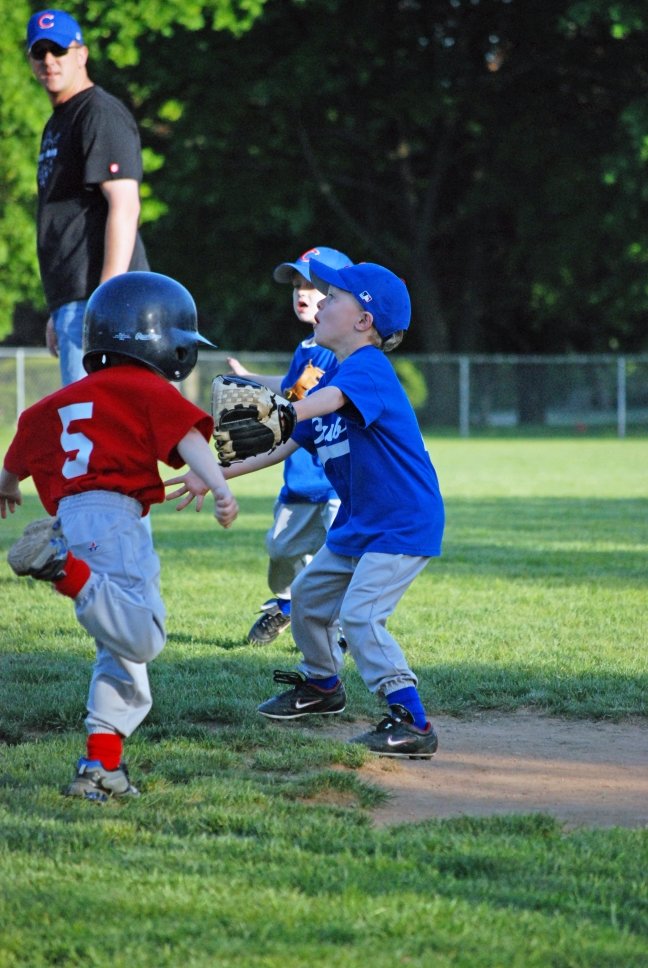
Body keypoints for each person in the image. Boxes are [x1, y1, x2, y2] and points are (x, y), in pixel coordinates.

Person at [168, 261, 444, 758]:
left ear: (364, 321)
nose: (319, 302)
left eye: (332, 296)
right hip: (358, 523)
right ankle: (322, 687)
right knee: (310, 602)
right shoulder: (325, 383)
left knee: (360, 617)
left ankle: (412, 721)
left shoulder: (367, 368)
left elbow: (329, 401)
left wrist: (288, 406)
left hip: (402, 523)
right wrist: (208, 475)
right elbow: (278, 447)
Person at [0, 272, 238, 800]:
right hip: (114, 520)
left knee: (119, 651)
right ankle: (65, 570)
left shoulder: (62, 400)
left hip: (73, 516)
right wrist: (219, 486)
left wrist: (7, 486)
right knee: (144, 636)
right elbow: (188, 439)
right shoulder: (143, 387)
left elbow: (18, 449)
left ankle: (101, 766)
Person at [226, 246, 351, 645]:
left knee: (343, 558)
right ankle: (286, 603)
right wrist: (250, 379)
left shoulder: (346, 350)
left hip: (338, 478)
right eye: (297, 285)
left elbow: (317, 401)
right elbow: (291, 387)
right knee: (281, 552)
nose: (302, 292)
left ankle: (345, 628)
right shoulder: (307, 349)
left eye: (313, 285)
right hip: (300, 478)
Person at [26, 9, 150, 385]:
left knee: (102, 428)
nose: (49, 60)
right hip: (76, 300)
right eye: (40, 52)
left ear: (81, 54)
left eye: (59, 50)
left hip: (109, 302)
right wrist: (59, 308)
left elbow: (126, 206)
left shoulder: (98, 112)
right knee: (90, 428)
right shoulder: (59, 121)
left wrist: (104, 301)